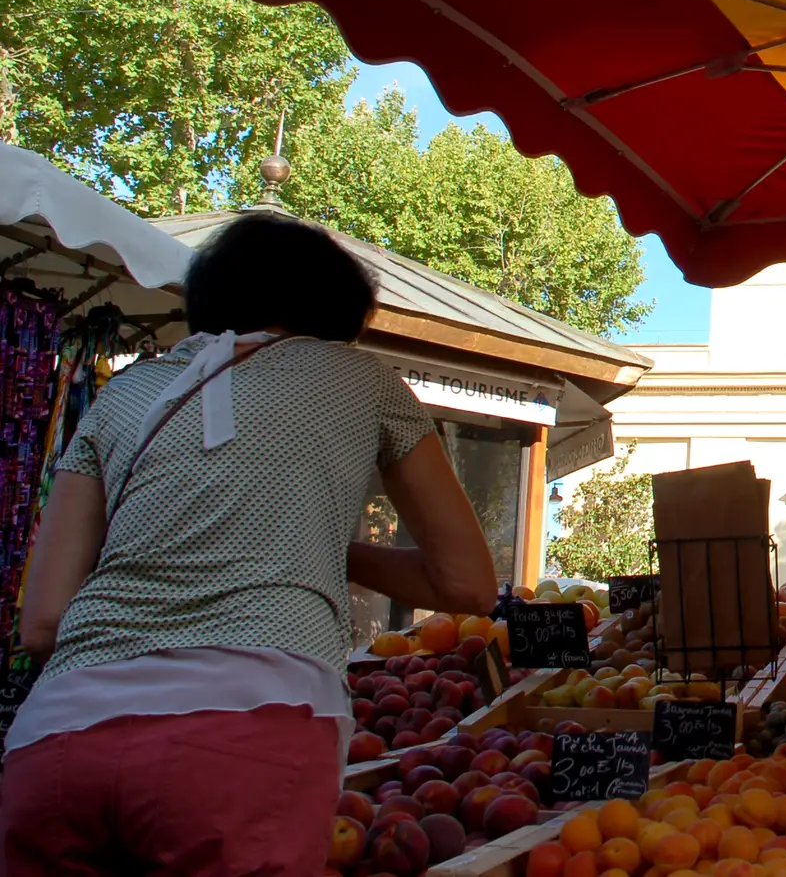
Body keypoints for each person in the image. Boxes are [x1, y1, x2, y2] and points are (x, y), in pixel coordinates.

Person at [1, 212, 498, 876]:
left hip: (56, 742)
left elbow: (42, 624)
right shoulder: (363, 379)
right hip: (250, 726)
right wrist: (316, 549)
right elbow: (468, 584)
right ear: (338, 307)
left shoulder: (124, 394)